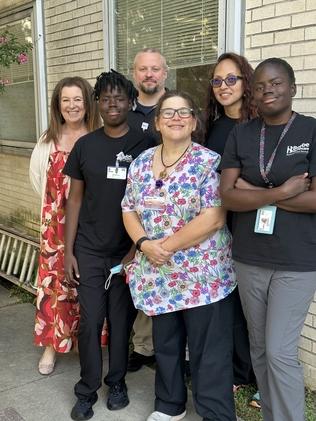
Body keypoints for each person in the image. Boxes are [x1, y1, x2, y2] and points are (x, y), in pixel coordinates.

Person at [122, 90, 237, 421]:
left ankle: (215, 413)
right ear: (156, 122)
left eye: (183, 112)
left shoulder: (208, 161)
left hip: (204, 277)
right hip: (159, 275)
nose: (175, 118)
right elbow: (128, 209)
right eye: (168, 112)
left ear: (194, 121)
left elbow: (214, 217)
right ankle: (169, 406)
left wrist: (165, 247)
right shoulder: (142, 163)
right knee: (167, 344)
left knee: (208, 351)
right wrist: (145, 244)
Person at [220, 57, 316, 421]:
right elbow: (227, 195)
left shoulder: (311, 131)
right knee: (259, 348)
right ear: (252, 94)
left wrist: (254, 190)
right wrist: (284, 191)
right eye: (259, 86)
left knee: (279, 351)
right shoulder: (241, 134)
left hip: (298, 261)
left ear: (292, 87)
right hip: (248, 258)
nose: (267, 90)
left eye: (276, 83)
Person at [63, 69, 155, 421]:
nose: (113, 104)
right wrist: (69, 251)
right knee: (90, 321)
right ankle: (86, 389)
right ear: (97, 104)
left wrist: (137, 249)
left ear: (131, 102)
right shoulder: (85, 146)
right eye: (105, 98)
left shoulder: (145, 147)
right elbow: (74, 201)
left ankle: (116, 382)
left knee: (120, 321)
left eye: (119, 97)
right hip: (88, 249)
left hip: (127, 251)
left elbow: (151, 201)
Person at [29, 76, 100, 375]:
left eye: (77, 99)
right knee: (55, 284)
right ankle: (51, 345)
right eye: (65, 100)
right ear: (58, 105)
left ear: (87, 103)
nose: (72, 106)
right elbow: (37, 180)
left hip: (90, 223)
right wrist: (54, 211)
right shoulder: (49, 139)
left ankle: (88, 343)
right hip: (54, 227)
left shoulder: (98, 136)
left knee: (87, 282)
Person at [205, 53, 257, 393]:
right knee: (233, 303)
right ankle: (240, 371)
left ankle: (259, 375)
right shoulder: (211, 127)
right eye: (217, 81)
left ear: (245, 82)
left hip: (255, 222)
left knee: (258, 304)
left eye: (231, 79)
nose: (224, 87)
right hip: (219, 225)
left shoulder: (259, 125)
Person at [127, 48, 169, 372]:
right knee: (140, 277)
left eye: (155, 69)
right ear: (135, 73)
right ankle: (142, 346)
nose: (149, 75)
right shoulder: (124, 111)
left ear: (164, 73)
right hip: (131, 210)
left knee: (167, 275)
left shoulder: (177, 108)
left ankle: (173, 350)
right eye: (143, 69)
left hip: (172, 212)